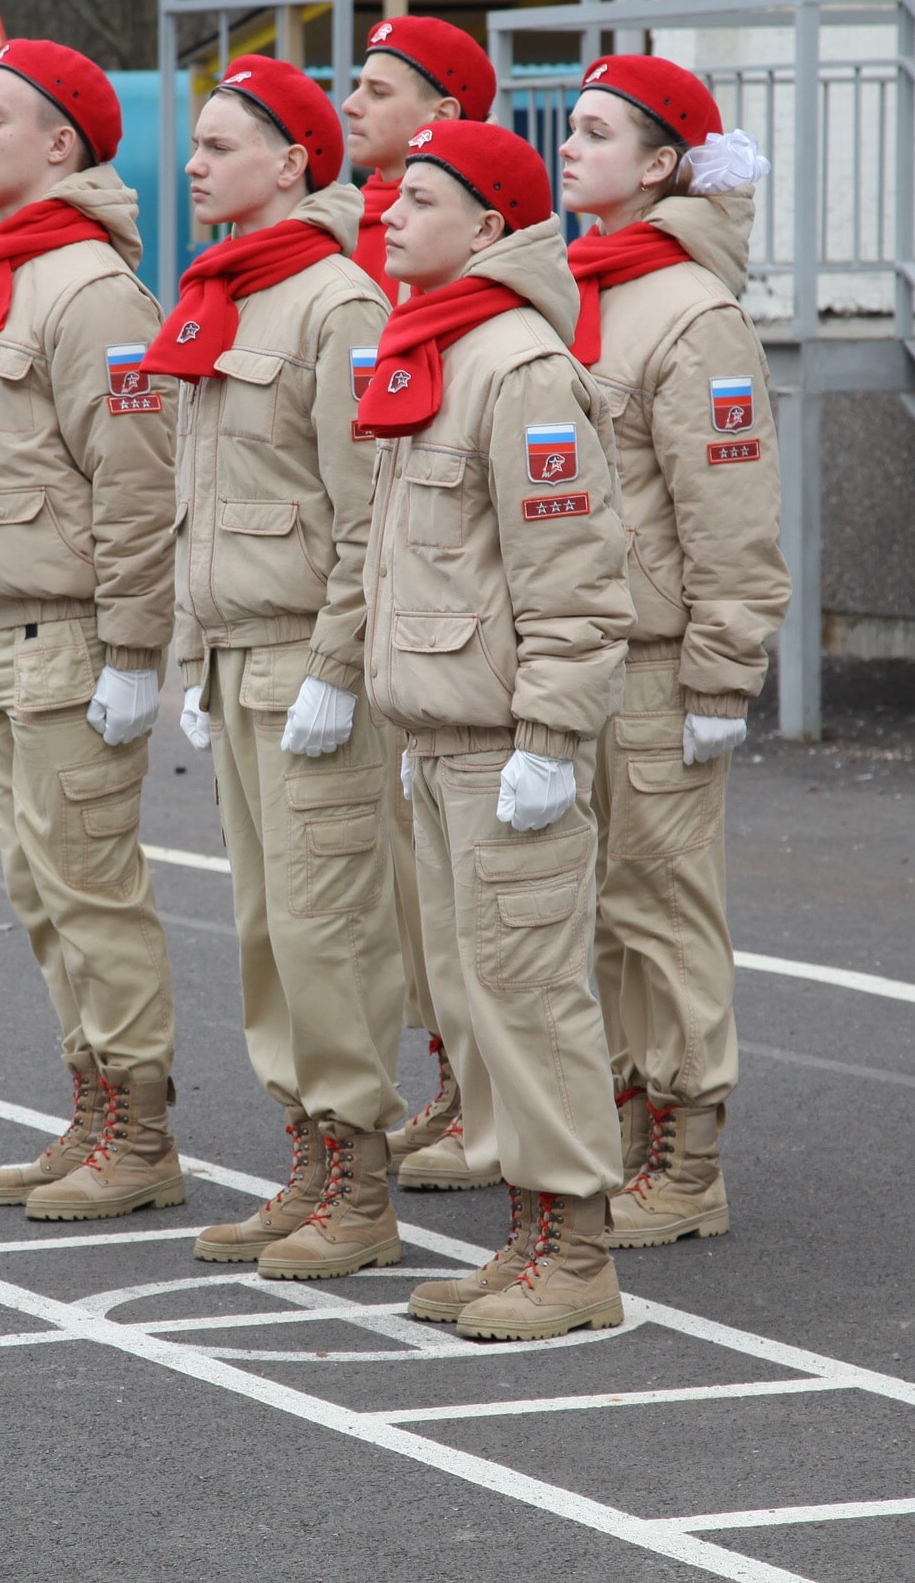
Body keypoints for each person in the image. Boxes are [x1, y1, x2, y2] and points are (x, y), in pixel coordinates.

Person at [357, 119, 637, 1341]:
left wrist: (551, 739)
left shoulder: (518, 368)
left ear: (487, 229)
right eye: (389, 196)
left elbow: (573, 575)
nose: (389, 216)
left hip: (499, 747)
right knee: (480, 998)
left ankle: (574, 1253)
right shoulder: (436, 349)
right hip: (436, 742)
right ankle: (528, 1236)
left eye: (419, 200)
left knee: (528, 992)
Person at [154, 56, 410, 1280]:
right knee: (267, 934)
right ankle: (306, 1156)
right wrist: (193, 658)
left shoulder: (334, 304)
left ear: (294, 163)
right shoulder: (222, 294)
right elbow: (203, 508)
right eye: (195, 147)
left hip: (312, 669)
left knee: (331, 933)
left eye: (218, 147)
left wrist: (338, 666)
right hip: (239, 666)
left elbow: (367, 516)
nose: (194, 166)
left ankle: (360, 1183)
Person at [0, 39, 184, 1223]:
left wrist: (136, 654)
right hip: (0, 641)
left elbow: (137, 488)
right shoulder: (4, 269)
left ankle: (138, 1137)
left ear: (59, 144)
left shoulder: (89, 292)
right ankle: (89, 1107)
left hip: (72, 643)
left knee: (93, 891)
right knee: (41, 896)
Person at [558, 56, 789, 1249]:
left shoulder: (691, 311)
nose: (568, 145)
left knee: (661, 905)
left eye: (597, 132)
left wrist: (720, 673)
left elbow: (731, 518)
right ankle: (625, 1129)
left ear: (661, 166)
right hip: (577, 661)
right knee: (594, 914)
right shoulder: (576, 284)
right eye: (569, 127)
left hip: (653, 667)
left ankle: (687, 1159)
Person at [335, 14, 504, 1195]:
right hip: (398, 617)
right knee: (415, 898)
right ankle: (458, 1078)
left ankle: (535, 1111)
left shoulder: (468, 263)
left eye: (378, 85)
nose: (351, 99)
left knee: (506, 907)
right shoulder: (368, 237)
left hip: (477, 634)